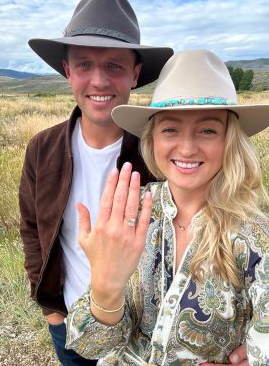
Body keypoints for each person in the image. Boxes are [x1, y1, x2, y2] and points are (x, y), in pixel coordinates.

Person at [66, 49, 269, 365]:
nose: (187, 148)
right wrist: (105, 287)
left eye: (207, 130)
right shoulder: (130, 214)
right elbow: (91, 346)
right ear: (152, 141)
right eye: (170, 129)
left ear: (230, 140)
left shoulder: (255, 235)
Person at [19, 0, 173, 366]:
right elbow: (31, 228)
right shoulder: (42, 149)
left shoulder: (162, 153)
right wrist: (52, 312)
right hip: (69, 326)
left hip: (142, 335)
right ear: (68, 71)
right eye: (85, 64)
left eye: (114, 65)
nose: (99, 81)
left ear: (135, 74)